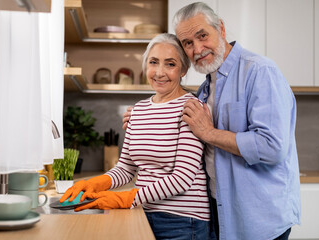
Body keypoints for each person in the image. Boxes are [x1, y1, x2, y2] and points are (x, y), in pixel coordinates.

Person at [123, 2, 301, 240]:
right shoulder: (207, 87)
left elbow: (272, 146)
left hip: (258, 217)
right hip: (221, 211)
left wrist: (209, 132)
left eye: (202, 36)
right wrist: (149, 118)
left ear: (221, 29)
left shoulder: (259, 71)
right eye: (188, 43)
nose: (197, 48)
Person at [60, 33, 213, 240]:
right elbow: (126, 168)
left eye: (170, 64)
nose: (159, 72)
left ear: (183, 69)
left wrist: (127, 197)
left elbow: (182, 179)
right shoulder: (139, 110)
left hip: (183, 221)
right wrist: (97, 183)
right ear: (145, 65)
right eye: (153, 62)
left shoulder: (191, 108)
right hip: (142, 212)